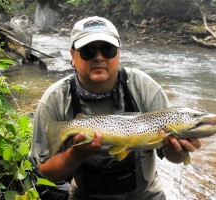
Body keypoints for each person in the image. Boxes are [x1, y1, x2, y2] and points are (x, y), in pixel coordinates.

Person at [29, 16, 201, 200]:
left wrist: (176, 151)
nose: (99, 57)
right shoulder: (55, 99)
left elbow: (172, 157)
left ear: (119, 53)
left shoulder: (145, 88)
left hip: (145, 195)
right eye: (88, 51)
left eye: (108, 49)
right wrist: (76, 153)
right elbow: (46, 173)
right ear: (72, 56)